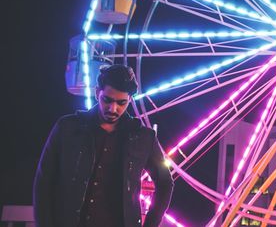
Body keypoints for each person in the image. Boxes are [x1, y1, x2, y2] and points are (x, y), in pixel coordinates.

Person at [33, 64, 173, 227]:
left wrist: (151, 224)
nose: (113, 108)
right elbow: (44, 181)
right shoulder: (67, 127)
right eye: (107, 100)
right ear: (97, 93)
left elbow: (165, 183)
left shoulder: (144, 137)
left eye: (121, 103)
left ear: (130, 100)